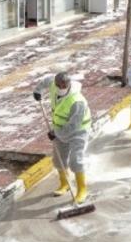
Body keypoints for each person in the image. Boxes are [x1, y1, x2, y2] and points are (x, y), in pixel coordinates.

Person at [32, 71, 92, 204]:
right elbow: (45, 82)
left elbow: (73, 126)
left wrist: (55, 133)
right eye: (59, 85)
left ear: (69, 84)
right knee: (59, 159)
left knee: (76, 160)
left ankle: (82, 189)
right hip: (59, 128)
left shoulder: (77, 101)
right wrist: (37, 91)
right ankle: (64, 184)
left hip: (79, 131)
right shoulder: (52, 83)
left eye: (64, 86)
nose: (61, 88)